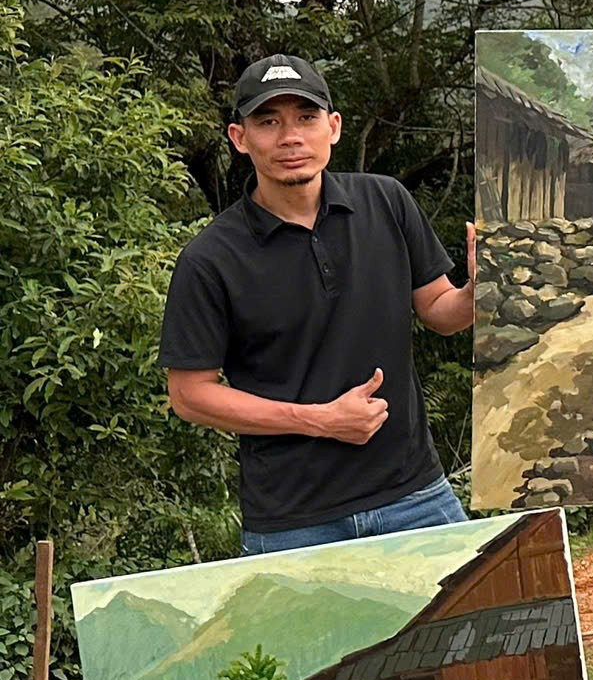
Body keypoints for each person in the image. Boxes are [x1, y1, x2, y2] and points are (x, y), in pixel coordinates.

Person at [162, 54, 477, 553]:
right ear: (239, 138)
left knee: (471, 629)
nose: (291, 137)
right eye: (269, 121)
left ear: (332, 128)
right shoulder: (210, 259)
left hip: (416, 497)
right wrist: (318, 420)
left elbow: (440, 310)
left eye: (306, 118)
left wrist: (480, 290)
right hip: (294, 523)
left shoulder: (387, 202)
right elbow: (190, 395)